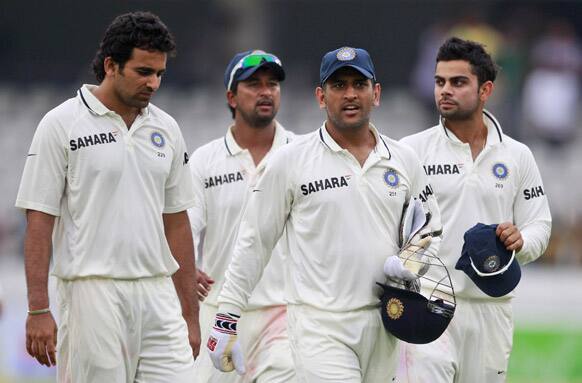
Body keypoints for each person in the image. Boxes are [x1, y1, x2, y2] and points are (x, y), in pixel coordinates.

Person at [206, 46, 441, 382]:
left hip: (386, 321)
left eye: (359, 85)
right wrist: (226, 317)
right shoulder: (290, 161)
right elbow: (254, 242)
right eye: (338, 85)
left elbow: (430, 228)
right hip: (319, 326)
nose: (350, 94)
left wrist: (410, 263)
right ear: (321, 96)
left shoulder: (403, 159)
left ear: (376, 93)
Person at [15, 11, 200, 382]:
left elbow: (176, 222)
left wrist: (191, 315)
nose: (154, 83)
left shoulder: (166, 128)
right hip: (91, 292)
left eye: (160, 73)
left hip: (157, 293)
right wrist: (38, 309)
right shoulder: (61, 123)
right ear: (111, 65)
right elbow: (39, 220)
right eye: (144, 72)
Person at [397, 37, 552, 383]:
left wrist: (521, 241)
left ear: (486, 90)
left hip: (490, 309)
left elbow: (540, 223)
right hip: (429, 300)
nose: (445, 91)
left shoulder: (517, 155)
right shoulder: (411, 151)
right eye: (440, 82)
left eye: (458, 82)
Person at [189, 50, 296, 382]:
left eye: (272, 84)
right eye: (253, 84)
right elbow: (187, 226)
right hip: (219, 311)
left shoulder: (301, 153)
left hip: (284, 312)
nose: (266, 91)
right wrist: (186, 264)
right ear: (231, 96)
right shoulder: (204, 160)